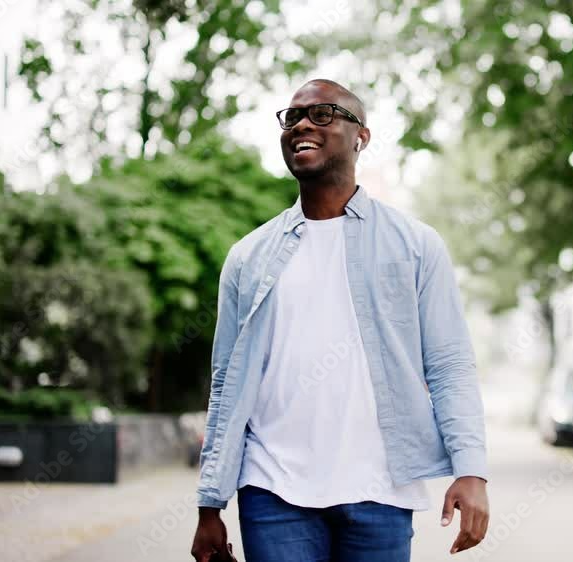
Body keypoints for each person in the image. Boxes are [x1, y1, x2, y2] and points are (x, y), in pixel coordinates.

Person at [190, 79, 489, 562]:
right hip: (273, 489)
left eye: (323, 113)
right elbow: (226, 383)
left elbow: (449, 364)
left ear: (361, 137)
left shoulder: (415, 246)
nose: (302, 125)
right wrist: (210, 504)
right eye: (292, 117)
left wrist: (471, 469)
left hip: (382, 489)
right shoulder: (247, 258)